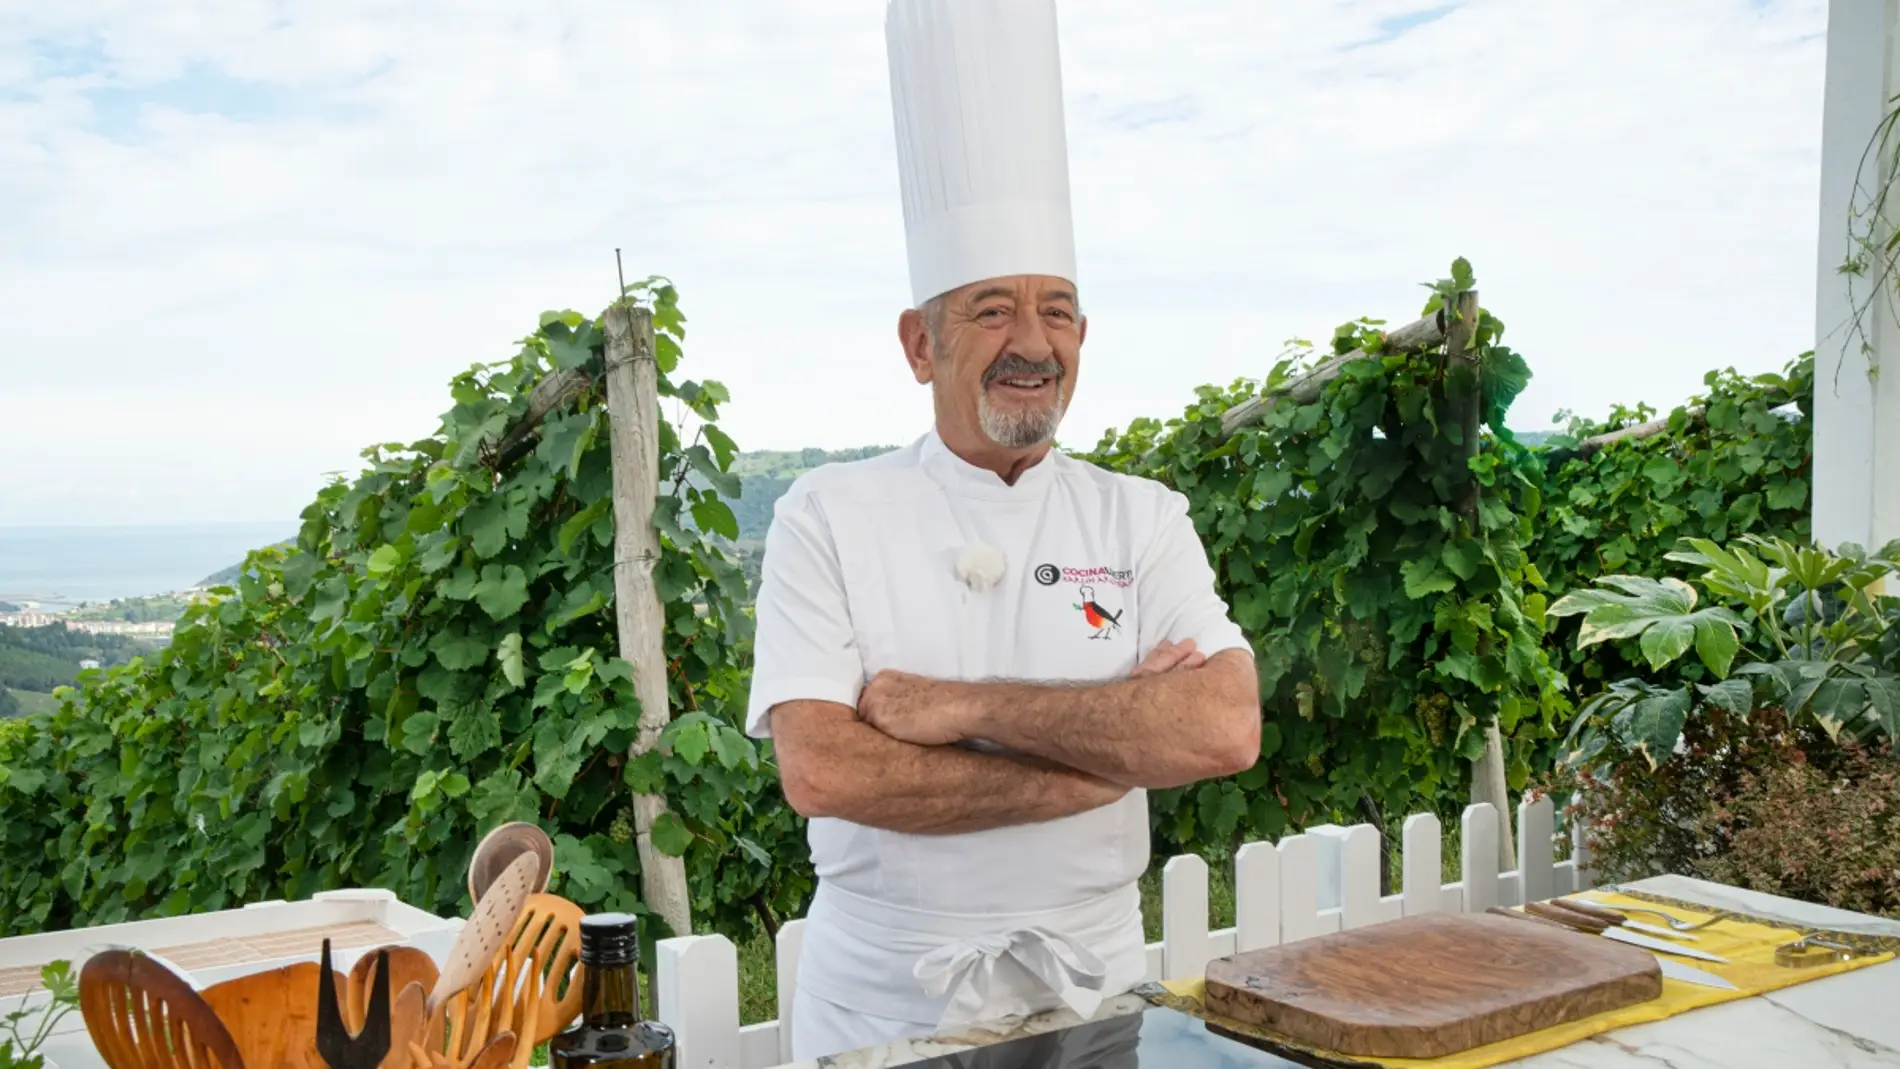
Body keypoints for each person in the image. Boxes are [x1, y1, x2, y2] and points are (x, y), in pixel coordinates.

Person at [744, 0, 1261, 1061]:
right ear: (917, 344)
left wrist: (951, 706)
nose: (1033, 342)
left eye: (1058, 309)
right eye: (990, 309)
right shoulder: (828, 512)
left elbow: (1218, 727)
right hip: (887, 1006)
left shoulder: (1141, 514)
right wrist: (1105, 756)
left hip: (1097, 989)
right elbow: (827, 772)